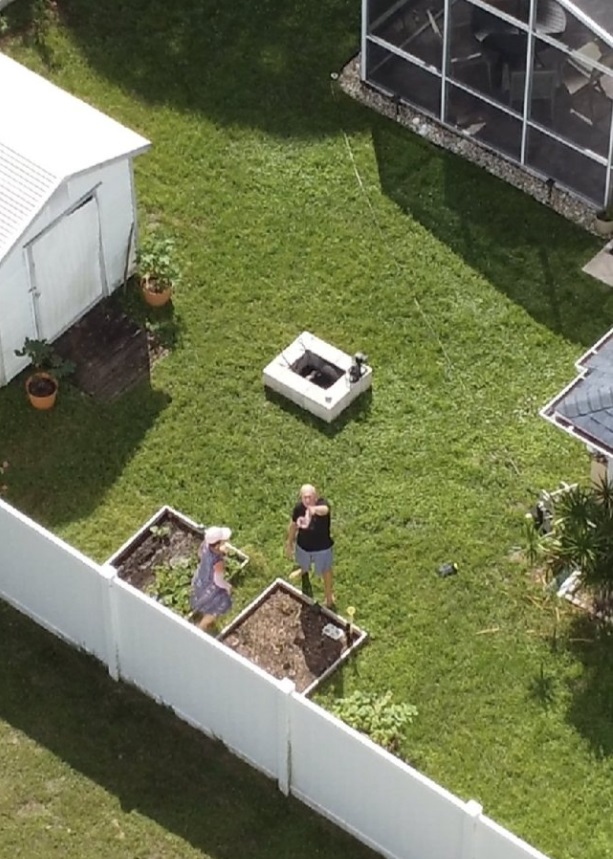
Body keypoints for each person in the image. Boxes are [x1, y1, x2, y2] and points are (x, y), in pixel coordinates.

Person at [285, 484, 335, 608]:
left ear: (316, 496)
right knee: (303, 562)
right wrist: (289, 543)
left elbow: (325, 510)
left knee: (326, 570)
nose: (307, 500)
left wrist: (314, 509)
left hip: (322, 548)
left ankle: (329, 597)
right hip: (303, 546)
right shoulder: (299, 508)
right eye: (304, 497)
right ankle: (303, 570)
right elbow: (293, 526)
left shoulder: (321, 504)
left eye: (310, 497)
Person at [191, 526, 233, 631]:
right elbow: (218, 581)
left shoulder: (205, 544)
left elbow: (200, 553)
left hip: (199, 579)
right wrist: (227, 587)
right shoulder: (218, 562)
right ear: (217, 544)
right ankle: (200, 628)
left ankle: (199, 607)